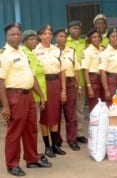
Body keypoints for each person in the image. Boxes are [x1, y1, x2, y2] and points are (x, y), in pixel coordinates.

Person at [0, 23, 51, 177]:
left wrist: (41, 96)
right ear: (6, 37)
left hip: (28, 96)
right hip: (15, 96)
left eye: (18, 34)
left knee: (31, 130)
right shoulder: (4, 55)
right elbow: (0, 81)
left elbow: (32, 76)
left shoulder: (22, 51)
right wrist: (6, 106)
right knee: (15, 132)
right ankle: (12, 164)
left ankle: (32, 159)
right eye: (12, 34)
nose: (16, 36)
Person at [34, 24, 67, 158]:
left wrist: (63, 90)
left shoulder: (57, 50)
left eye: (49, 33)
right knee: (44, 116)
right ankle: (47, 146)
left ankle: (55, 145)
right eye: (44, 33)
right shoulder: (35, 51)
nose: (47, 35)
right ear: (40, 36)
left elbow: (63, 71)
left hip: (55, 83)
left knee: (55, 115)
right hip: (42, 84)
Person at [55, 29, 81, 151]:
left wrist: (79, 85)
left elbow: (75, 70)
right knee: (56, 113)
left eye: (64, 36)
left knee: (71, 114)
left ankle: (72, 140)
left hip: (70, 83)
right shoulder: (52, 51)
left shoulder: (72, 51)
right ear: (56, 38)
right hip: (56, 83)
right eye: (60, 36)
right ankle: (57, 140)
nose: (63, 38)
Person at [66, 20, 88, 144]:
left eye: (78, 28)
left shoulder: (83, 42)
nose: (76, 31)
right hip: (69, 81)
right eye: (74, 28)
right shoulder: (65, 41)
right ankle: (71, 135)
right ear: (69, 29)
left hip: (82, 81)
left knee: (79, 109)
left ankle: (79, 133)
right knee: (69, 110)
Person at [99, 27, 117, 106]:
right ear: (108, 39)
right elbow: (103, 73)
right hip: (112, 82)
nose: (115, 38)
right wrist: (106, 90)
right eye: (113, 36)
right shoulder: (105, 53)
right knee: (113, 106)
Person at [22, 30, 47, 117]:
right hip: (33, 94)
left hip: (36, 94)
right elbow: (33, 77)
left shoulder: (32, 53)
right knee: (34, 122)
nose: (35, 41)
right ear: (24, 41)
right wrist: (41, 96)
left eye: (36, 39)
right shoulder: (25, 54)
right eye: (31, 39)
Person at [82, 28, 104, 111]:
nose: (97, 39)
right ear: (90, 39)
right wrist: (89, 87)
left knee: (103, 104)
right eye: (94, 37)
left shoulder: (103, 49)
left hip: (103, 78)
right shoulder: (87, 51)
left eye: (98, 37)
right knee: (95, 105)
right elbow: (85, 70)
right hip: (93, 79)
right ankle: (95, 123)